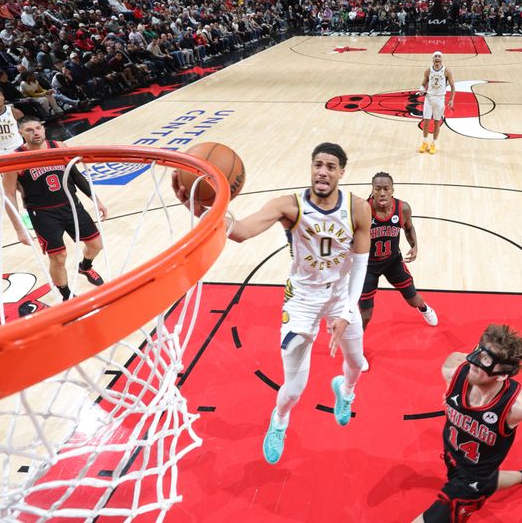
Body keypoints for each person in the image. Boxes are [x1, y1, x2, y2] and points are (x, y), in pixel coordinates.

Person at [172, 142, 370, 465]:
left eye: (331, 167)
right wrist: (207, 212)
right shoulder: (288, 206)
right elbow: (243, 230)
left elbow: (361, 265)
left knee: (357, 362)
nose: (322, 171)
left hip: (339, 296)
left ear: (342, 173)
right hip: (302, 300)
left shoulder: (358, 208)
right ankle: (279, 419)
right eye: (318, 164)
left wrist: (348, 312)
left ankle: (345, 391)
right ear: (311, 168)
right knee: (293, 390)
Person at [413, 324, 522, 522]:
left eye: (486, 360)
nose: (475, 362)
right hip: (453, 458)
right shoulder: (453, 368)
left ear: (503, 375)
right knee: (490, 480)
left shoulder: (519, 407)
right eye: (478, 352)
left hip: (472, 483)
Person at [1, 116, 107, 304]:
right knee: (58, 257)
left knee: (96, 245)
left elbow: (75, 175)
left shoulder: (60, 147)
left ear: (43, 128)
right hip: (43, 213)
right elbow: (9, 195)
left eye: (38, 128)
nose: (35, 132)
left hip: (71, 206)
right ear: (20, 133)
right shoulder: (14, 159)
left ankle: (85, 266)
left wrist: (96, 199)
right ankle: (66, 295)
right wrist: (19, 229)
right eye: (29, 130)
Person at [359, 172, 437, 332]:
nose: (382, 193)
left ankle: (424, 308)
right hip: (368, 266)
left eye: (386, 188)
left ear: (392, 190)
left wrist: (414, 245)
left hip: (392, 262)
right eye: (377, 188)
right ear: (372, 190)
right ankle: (356, 348)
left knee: (413, 300)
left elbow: (409, 229)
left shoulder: (403, 208)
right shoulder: (363, 210)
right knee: (365, 315)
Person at [418, 51, 455, 155]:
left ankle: (433, 144)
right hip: (429, 99)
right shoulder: (428, 71)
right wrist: (421, 89)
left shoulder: (446, 71)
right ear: (433, 59)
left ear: (441, 59)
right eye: (435, 56)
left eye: (439, 56)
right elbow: (423, 83)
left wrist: (451, 99)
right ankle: (425, 142)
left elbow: (452, 86)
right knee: (426, 121)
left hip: (439, 99)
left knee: (436, 122)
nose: (437, 58)